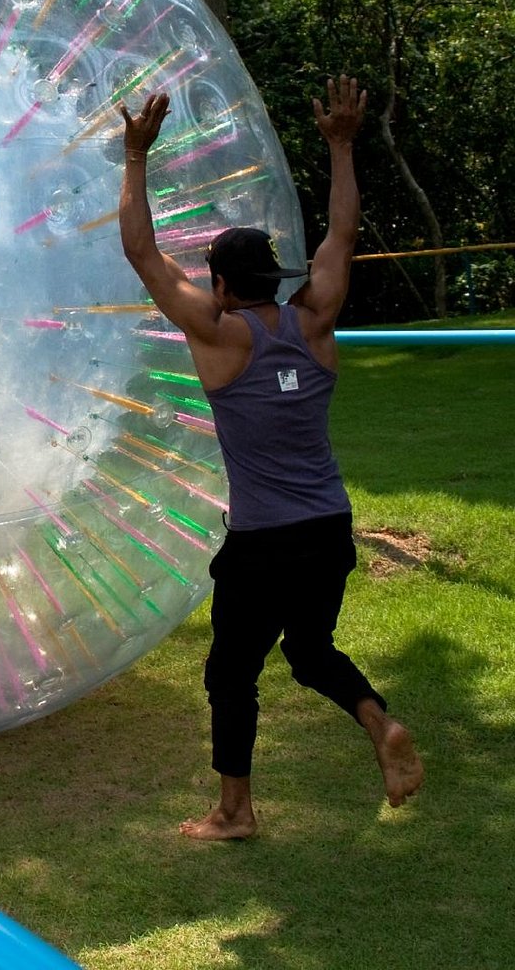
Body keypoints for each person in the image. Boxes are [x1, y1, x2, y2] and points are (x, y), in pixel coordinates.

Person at [117, 75, 423, 840]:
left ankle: (235, 811)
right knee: (312, 649)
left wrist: (134, 158)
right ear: (275, 279)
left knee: (230, 675)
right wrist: (342, 146)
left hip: (263, 542)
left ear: (220, 285)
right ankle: (376, 722)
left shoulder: (218, 336)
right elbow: (341, 237)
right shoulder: (314, 323)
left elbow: (144, 252)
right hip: (328, 527)